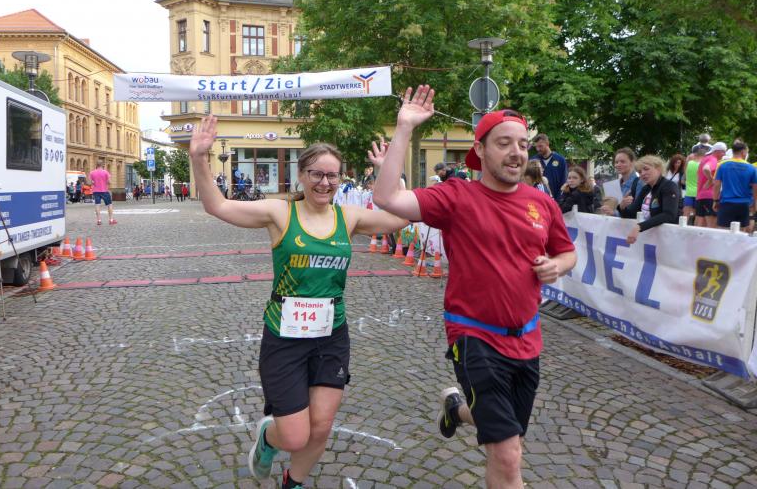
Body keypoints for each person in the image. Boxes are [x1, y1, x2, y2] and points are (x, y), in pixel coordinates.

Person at [189, 115, 409, 489]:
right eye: (317, 174)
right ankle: (267, 437)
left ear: (340, 178)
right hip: (285, 337)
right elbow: (218, 206)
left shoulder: (348, 217)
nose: (325, 182)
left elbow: (400, 217)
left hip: (331, 335)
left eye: (332, 175)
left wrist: (390, 172)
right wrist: (198, 157)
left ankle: (293, 482)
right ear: (302, 176)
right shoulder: (280, 212)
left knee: (320, 426)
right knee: (293, 436)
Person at [372, 86, 577, 488]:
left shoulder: (542, 203)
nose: (516, 152)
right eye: (504, 143)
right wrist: (405, 127)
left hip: (528, 339)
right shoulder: (457, 196)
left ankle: (456, 410)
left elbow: (567, 252)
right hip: (475, 336)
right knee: (508, 453)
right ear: (480, 150)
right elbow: (386, 197)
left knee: (508, 433)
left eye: (522, 144)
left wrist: (557, 265)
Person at [618, 155, 680, 243]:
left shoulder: (669, 186)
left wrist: (640, 227)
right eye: (640, 172)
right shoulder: (646, 189)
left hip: (668, 239)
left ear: (658, 169)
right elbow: (631, 213)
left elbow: (669, 214)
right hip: (651, 239)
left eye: (646, 169)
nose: (642, 173)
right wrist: (622, 207)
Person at [713, 140, 757, 232]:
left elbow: (717, 185)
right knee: (741, 232)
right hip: (744, 204)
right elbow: (755, 188)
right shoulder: (752, 168)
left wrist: (715, 200)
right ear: (743, 152)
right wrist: (755, 203)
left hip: (726, 203)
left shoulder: (722, 165)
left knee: (723, 231)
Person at [599, 148, 642, 216]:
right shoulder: (613, 185)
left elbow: (638, 211)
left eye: (622, 161)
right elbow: (612, 209)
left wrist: (615, 213)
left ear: (632, 162)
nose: (618, 165)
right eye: (616, 162)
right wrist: (607, 207)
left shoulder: (639, 183)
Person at [695, 142, 727, 228]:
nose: (724, 154)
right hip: (710, 197)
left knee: (700, 226)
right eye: (723, 152)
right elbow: (706, 168)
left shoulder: (704, 159)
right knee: (712, 227)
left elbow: (698, 174)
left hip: (700, 196)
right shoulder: (713, 159)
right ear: (717, 151)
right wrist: (711, 179)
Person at [529, 133, 567, 200]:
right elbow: (529, 181)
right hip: (538, 200)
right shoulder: (533, 160)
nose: (538, 149)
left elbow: (564, 181)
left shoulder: (560, 160)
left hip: (556, 200)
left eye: (540, 146)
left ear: (547, 144)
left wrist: (559, 200)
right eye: (536, 147)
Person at [683, 145, 706, 221]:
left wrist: (688, 158)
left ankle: (682, 227)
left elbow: (685, 176)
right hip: (699, 194)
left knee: (685, 214)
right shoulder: (704, 165)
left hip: (688, 193)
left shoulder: (689, 163)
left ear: (695, 154)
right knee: (698, 216)